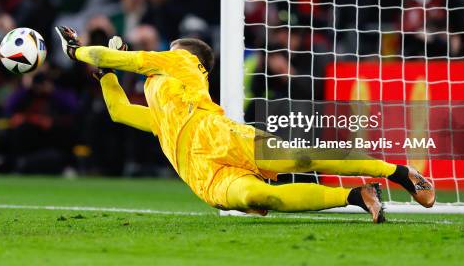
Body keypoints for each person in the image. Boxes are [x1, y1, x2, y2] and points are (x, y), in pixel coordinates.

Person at [55, 26, 435, 223]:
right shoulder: (163, 111)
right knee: (260, 197)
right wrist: (105, 73)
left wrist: (79, 51)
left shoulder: (183, 63)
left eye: (168, 51)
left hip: (220, 136)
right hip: (201, 174)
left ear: (186, 55)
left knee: (302, 160)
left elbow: (123, 59)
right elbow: (120, 111)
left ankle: (399, 172)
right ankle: (356, 196)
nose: (160, 56)